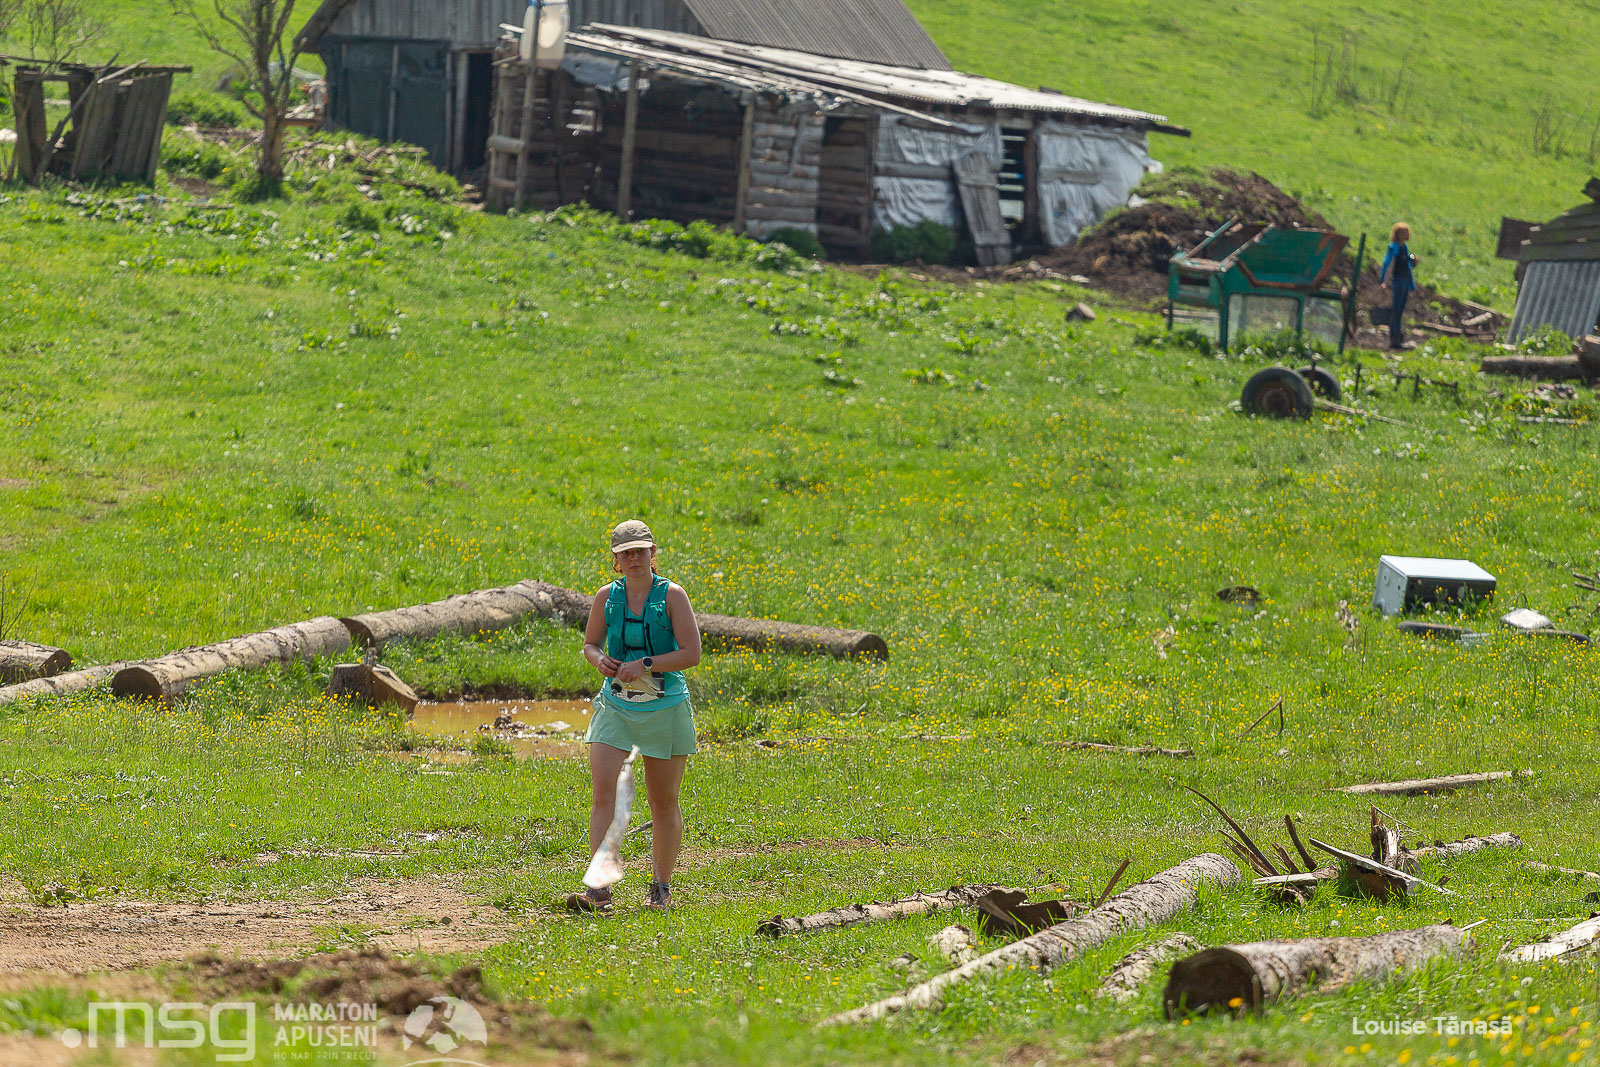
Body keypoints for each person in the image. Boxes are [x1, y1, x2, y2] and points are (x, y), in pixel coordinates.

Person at [566, 519, 701, 914]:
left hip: (665, 707)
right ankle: (599, 890)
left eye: (640, 550)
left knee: (663, 801)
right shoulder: (606, 596)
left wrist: (646, 663)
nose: (634, 558)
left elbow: (691, 654)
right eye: (626, 553)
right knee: (603, 795)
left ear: (652, 553)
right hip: (616, 706)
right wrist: (599, 660)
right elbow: (590, 644)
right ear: (616, 559)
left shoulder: (672, 595)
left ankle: (661, 887)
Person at [1378, 222, 1418, 350]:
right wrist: (1385, 281)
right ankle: (1394, 339)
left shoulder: (1405, 248)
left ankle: (1399, 338)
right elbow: (1390, 264)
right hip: (1398, 281)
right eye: (1402, 232)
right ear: (1397, 234)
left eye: (1406, 232)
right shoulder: (1394, 247)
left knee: (1400, 310)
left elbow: (1408, 261)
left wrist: (1414, 260)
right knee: (1396, 310)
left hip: (1406, 281)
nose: (1404, 234)